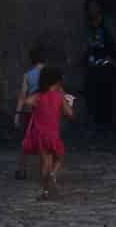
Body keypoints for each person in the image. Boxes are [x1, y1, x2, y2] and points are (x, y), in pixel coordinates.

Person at [18, 63, 75, 199]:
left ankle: (45, 192)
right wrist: (67, 103)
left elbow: (26, 103)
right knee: (59, 157)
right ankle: (53, 174)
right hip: (53, 133)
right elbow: (70, 114)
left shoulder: (38, 96)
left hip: (40, 134)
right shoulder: (59, 96)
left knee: (45, 162)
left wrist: (34, 108)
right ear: (58, 81)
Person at [83, 0, 116, 129]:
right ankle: (96, 124)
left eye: (94, 6)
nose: (92, 9)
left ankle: (107, 125)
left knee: (106, 93)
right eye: (90, 7)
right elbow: (87, 45)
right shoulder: (88, 25)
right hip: (93, 64)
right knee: (92, 93)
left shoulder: (107, 23)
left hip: (107, 63)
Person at [14, 43, 50, 182]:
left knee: (26, 140)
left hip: (31, 111)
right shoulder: (50, 74)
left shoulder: (28, 75)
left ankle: (22, 170)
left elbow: (23, 96)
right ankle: (45, 171)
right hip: (46, 111)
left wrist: (17, 113)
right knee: (45, 141)